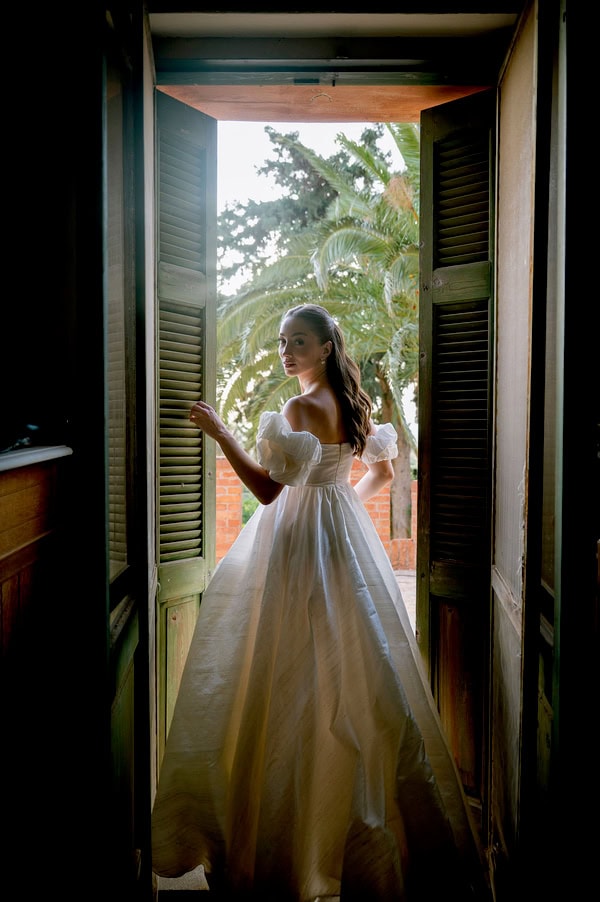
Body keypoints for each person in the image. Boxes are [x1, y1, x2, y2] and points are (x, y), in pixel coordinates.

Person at [151, 304, 485, 901]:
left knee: (290, 675)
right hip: (343, 537)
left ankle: (289, 844)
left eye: (298, 342)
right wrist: (339, 504)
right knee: (357, 675)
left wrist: (221, 431)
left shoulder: (299, 408)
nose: (286, 351)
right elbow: (381, 474)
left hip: (302, 541)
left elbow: (266, 491)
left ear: (327, 347)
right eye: (282, 342)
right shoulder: (350, 404)